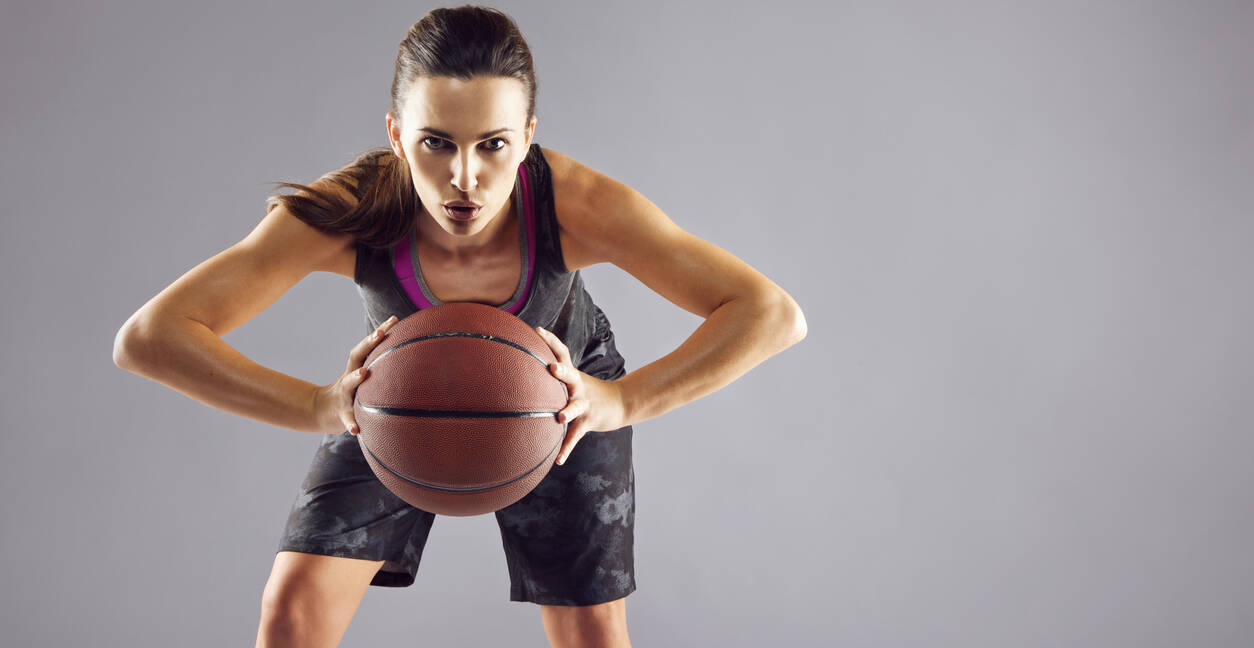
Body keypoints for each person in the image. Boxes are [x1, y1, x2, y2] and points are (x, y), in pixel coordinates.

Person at [112, 5, 806, 648]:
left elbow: (772, 314)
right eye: (436, 143)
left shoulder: (576, 205)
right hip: (398, 400)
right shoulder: (356, 207)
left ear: (529, 138)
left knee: (593, 635)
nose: (464, 177)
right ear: (395, 136)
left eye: (494, 145)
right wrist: (314, 404)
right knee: (290, 610)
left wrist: (620, 401)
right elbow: (149, 337)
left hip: (564, 402)